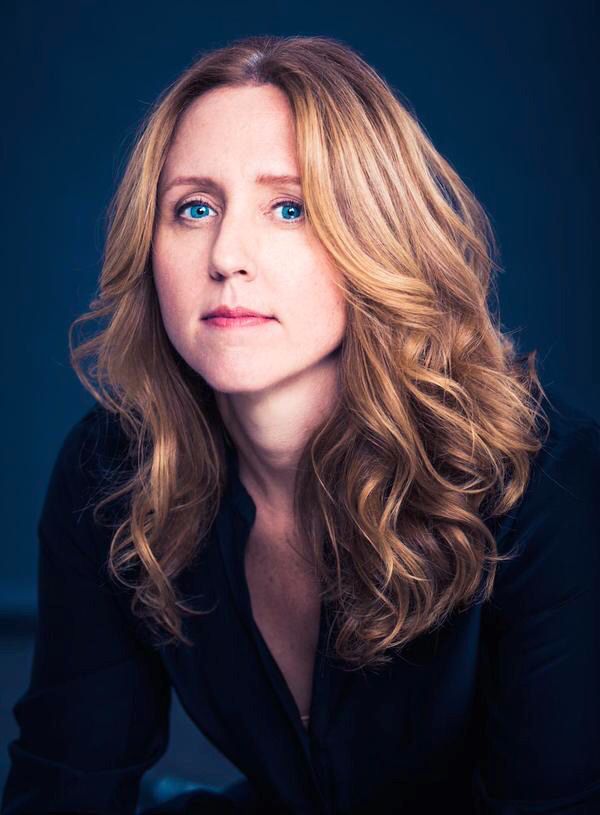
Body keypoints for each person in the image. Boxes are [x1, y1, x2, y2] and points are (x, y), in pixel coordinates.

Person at [2, 33, 599, 815]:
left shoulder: (545, 485)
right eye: (194, 208)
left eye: (290, 208)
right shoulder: (112, 472)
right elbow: (67, 782)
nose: (228, 255)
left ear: (375, 238)